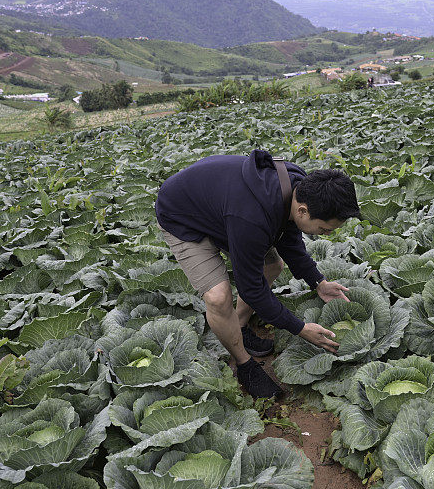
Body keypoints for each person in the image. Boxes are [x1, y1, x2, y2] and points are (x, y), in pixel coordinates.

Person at [155, 149, 361, 399]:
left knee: (273, 266)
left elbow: (290, 240)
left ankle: (239, 325)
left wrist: (319, 282)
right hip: (182, 216)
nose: (326, 234)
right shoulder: (252, 219)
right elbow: (252, 288)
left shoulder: (298, 186)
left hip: (223, 209)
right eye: (325, 229)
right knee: (218, 298)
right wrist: (299, 328)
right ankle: (244, 364)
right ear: (303, 211)